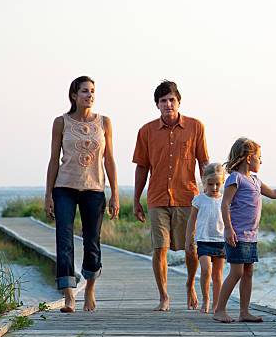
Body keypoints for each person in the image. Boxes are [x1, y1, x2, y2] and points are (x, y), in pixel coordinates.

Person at [213, 138, 276, 323]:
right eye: (259, 157)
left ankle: (244, 312)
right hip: (237, 234)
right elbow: (225, 204)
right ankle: (219, 309)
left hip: (251, 235)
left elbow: (274, 194)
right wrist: (228, 228)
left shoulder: (255, 181)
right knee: (236, 273)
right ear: (249, 158)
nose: (261, 161)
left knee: (248, 272)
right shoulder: (235, 178)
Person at [45, 75, 119, 313]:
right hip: (64, 187)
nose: (90, 95)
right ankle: (69, 296)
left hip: (94, 188)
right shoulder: (61, 122)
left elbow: (109, 160)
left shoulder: (104, 122)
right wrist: (48, 195)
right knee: (64, 240)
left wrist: (115, 193)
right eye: (85, 91)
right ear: (74, 96)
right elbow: (53, 160)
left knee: (92, 242)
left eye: (92, 91)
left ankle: (89, 289)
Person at [133, 80, 209, 311]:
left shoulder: (196, 127)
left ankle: (190, 285)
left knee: (191, 249)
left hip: (188, 197)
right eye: (163, 101)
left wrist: (209, 196)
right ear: (157, 105)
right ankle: (164, 296)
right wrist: (136, 199)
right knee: (160, 248)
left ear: (179, 102)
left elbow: (203, 162)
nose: (168, 104)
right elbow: (142, 167)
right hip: (157, 198)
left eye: (171, 100)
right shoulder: (146, 131)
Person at [185, 163, 226, 314]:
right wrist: (188, 239)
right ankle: (206, 299)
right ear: (204, 182)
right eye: (210, 184)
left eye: (218, 184)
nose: (214, 188)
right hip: (203, 240)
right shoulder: (199, 200)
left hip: (221, 241)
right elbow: (191, 220)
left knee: (218, 274)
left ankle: (217, 304)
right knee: (206, 270)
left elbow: (230, 219)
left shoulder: (225, 200)